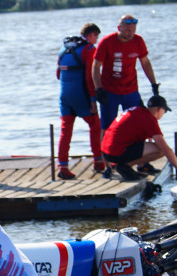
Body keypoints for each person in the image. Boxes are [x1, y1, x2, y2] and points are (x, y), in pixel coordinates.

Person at [91, 14, 159, 139]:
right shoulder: (107, 42)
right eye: (127, 30)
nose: (130, 34)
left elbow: (145, 63)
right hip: (109, 91)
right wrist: (98, 89)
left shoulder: (138, 41)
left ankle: (138, 156)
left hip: (131, 91)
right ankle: (106, 157)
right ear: (119, 28)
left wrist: (153, 84)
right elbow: (96, 66)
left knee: (137, 124)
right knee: (107, 127)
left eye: (133, 30)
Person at [55, 23, 104, 179]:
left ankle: (62, 166)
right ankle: (98, 162)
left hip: (65, 95)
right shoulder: (89, 49)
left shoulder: (63, 49)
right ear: (91, 35)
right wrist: (92, 100)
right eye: (96, 36)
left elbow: (58, 74)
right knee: (95, 125)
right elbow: (90, 77)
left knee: (65, 130)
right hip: (81, 95)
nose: (96, 40)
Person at [100, 95, 177, 182]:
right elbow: (166, 149)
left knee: (150, 145)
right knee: (160, 150)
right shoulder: (149, 119)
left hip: (106, 151)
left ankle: (139, 166)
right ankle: (125, 166)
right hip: (115, 152)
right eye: (164, 111)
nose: (163, 114)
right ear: (159, 110)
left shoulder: (138, 110)